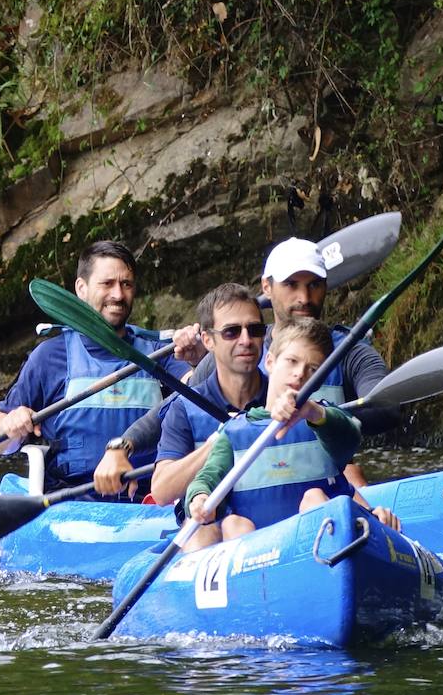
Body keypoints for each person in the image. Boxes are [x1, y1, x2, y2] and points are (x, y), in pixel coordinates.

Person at [120, 235, 403, 526]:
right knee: (227, 526)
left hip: (310, 486)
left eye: (314, 285)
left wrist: (320, 414)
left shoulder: (342, 359)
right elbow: (175, 411)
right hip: (243, 518)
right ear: (267, 288)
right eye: (291, 285)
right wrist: (124, 445)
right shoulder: (225, 374)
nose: (304, 298)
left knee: (344, 475)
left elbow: (378, 417)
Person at [0, 240, 189, 500]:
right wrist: (12, 424)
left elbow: (198, 385)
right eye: (107, 284)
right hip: (72, 502)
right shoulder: (50, 356)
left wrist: (200, 354)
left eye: (126, 284)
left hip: (149, 500)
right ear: (81, 289)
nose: (118, 295)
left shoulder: (159, 352)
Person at [185, 319, 360, 544]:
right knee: (233, 524)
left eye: (313, 369)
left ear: (319, 382)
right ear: (270, 362)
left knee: (314, 498)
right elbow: (208, 477)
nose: (300, 374)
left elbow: (351, 438)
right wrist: (200, 497)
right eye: (292, 361)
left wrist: (313, 412)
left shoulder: (326, 420)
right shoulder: (235, 431)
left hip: (315, 550)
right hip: (255, 552)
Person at [139, 284, 266, 548]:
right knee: (202, 535)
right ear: (208, 340)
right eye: (232, 332)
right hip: (206, 522)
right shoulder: (185, 408)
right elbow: (161, 491)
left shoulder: (283, 399)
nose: (246, 340)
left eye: (254, 330)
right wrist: (214, 445)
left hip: (272, 520)